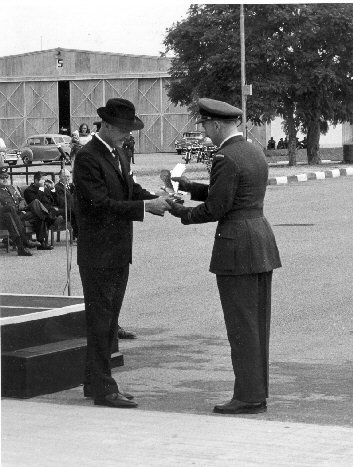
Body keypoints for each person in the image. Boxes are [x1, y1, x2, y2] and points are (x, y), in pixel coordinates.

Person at [168, 98, 281, 415]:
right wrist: (191, 186)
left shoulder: (225, 157)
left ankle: (247, 397)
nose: (205, 132)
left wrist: (181, 212)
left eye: (205, 126)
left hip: (236, 247)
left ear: (216, 125)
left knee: (241, 326)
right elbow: (233, 192)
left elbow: (219, 207)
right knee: (257, 324)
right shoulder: (251, 150)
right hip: (260, 240)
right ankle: (255, 391)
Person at [73, 97, 171, 409]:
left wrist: (157, 197)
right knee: (102, 321)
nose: (128, 135)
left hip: (116, 251)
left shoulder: (116, 154)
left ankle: (94, 382)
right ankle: (104, 388)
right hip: (99, 253)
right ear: (109, 126)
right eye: (125, 130)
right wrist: (145, 207)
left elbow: (128, 189)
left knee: (108, 319)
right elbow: (99, 205)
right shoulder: (89, 157)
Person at [0, 167, 51, 251]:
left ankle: (41, 242)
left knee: (38, 211)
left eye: (6, 177)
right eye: (2, 178)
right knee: (39, 212)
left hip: (21, 212)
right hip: (10, 216)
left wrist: (21, 205)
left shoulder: (11, 188)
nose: (5, 179)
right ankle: (30, 241)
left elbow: (21, 199)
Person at [54, 169, 78, 240]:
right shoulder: (58, 187)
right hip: (62, 209)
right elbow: (62, 202)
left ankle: (77, 234)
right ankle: (77, 235)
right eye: (65, 176)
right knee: (75, 212)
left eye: (68, 176)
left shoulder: (70, 186)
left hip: (69, 209)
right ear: (60, 177)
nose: (67, 178)